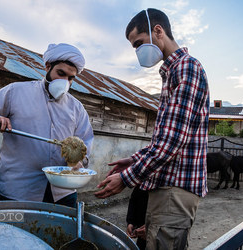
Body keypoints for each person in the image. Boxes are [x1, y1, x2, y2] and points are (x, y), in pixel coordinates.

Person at [95, 8, 209, 249]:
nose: (138, 52)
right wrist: (134, 160)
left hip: (175, 190)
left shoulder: (186, 68)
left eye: (138, 43)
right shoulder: (172, 73)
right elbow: (166, 139)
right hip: (166, 188)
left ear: (158, 31)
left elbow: (171, 144)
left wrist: (126, 178)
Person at [0, 43, 94, 208]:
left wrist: (81, 160)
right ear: (47, 66)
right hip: (19, 189)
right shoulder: (16, 92)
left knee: (63, 232)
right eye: (61, 74)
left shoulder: (76, 107)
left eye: (70, 78)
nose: (65, 81)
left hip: (63, 191)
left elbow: (86, 138)